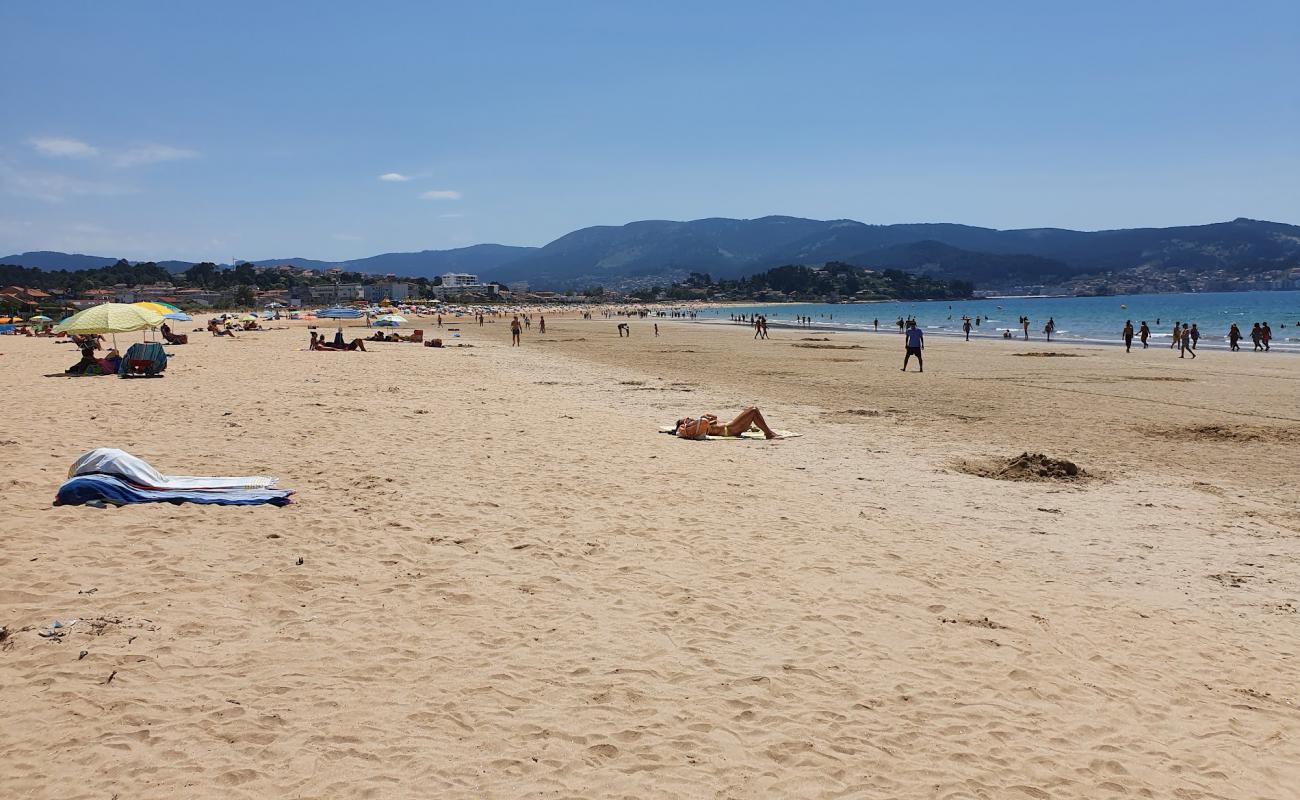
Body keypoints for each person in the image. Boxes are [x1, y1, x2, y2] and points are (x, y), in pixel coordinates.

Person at [674, 407, 780, 440]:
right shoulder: (696, 426)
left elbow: (715, 418)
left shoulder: (699, 421)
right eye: (686, 419)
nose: (688, 418)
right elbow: (704, 425)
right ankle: (769, 433)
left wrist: (708, 415)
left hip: (731, 426)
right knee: (753, 410)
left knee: (750, 411)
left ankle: (768, 431)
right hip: (730, 429)